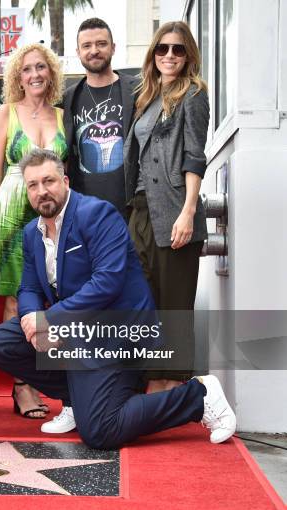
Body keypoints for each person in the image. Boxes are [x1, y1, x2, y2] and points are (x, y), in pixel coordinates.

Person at [0, 148, 236, 449]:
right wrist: (31, 320)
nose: (42, 191)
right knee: (0, 342)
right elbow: (28, 289)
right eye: (33, 185)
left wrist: (50, 319)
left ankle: (198, 397)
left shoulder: (96, 214)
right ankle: (75, 400)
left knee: (101, 432)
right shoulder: (31, 233)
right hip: (76, 330)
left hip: (115, 332)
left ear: (65, 181)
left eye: (48, 181)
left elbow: (108, 282)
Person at [0, 42, 68, 425]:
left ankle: (40, 375)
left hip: (52, 210)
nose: (34, 74)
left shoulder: (64, 116)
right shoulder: (5, 113)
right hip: (14, 208)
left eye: (41, 68)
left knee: (47, 295)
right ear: (18, 76)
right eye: (27, 69)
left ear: (51, 74)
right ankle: (20, 383)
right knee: (16, 297)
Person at [124, 21, 209, 394]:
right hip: (140, 211)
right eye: (162, 49)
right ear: (153, 54)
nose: (169, 56)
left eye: (177, 49)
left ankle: (170, 391)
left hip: (174, 209)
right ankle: (150, 382)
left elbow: (194, 155)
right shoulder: (145, 97)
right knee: (143, 302)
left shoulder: (193, 94)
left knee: (173, 307)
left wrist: (188, 211)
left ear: (188, 55)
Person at [63, 18, 138, 216]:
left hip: (131, 209)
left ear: (113, 48)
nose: (94, 50)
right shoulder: (68, 98)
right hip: (84, 211)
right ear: (78, 52)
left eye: (101, 44)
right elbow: (34, 111)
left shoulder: (138, 91)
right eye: (86, 45)